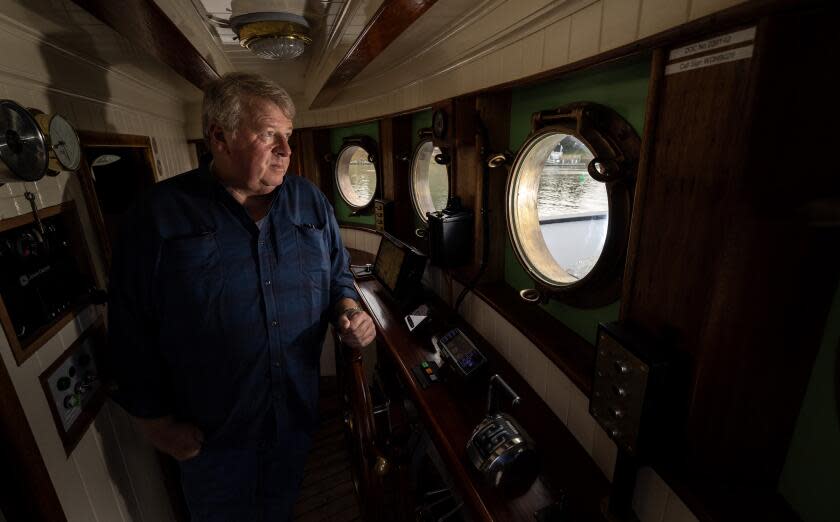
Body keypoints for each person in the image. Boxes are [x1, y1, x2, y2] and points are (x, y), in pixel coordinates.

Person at [107, 72, 376, 521]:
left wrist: (348, 309)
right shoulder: (158, 217)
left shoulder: (310, 202)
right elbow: (129, 328)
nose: (287, 151)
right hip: (211, 439)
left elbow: (337, 274)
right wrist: (155, 426)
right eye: (270, 135)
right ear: (220, 137)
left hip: (293, 420)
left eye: (288, 136)